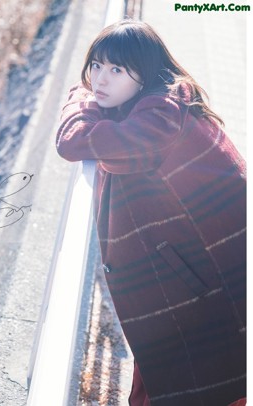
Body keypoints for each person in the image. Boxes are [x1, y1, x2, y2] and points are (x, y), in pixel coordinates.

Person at [56, 19, 246, 406]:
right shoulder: (161, 103)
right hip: (206, 272)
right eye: (96, 65)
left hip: (215, 282)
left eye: (116, 70)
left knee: (204, 384)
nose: (100, 80)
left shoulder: (158, 120)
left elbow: (74, 140)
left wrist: (80, 100)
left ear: (144, 75)